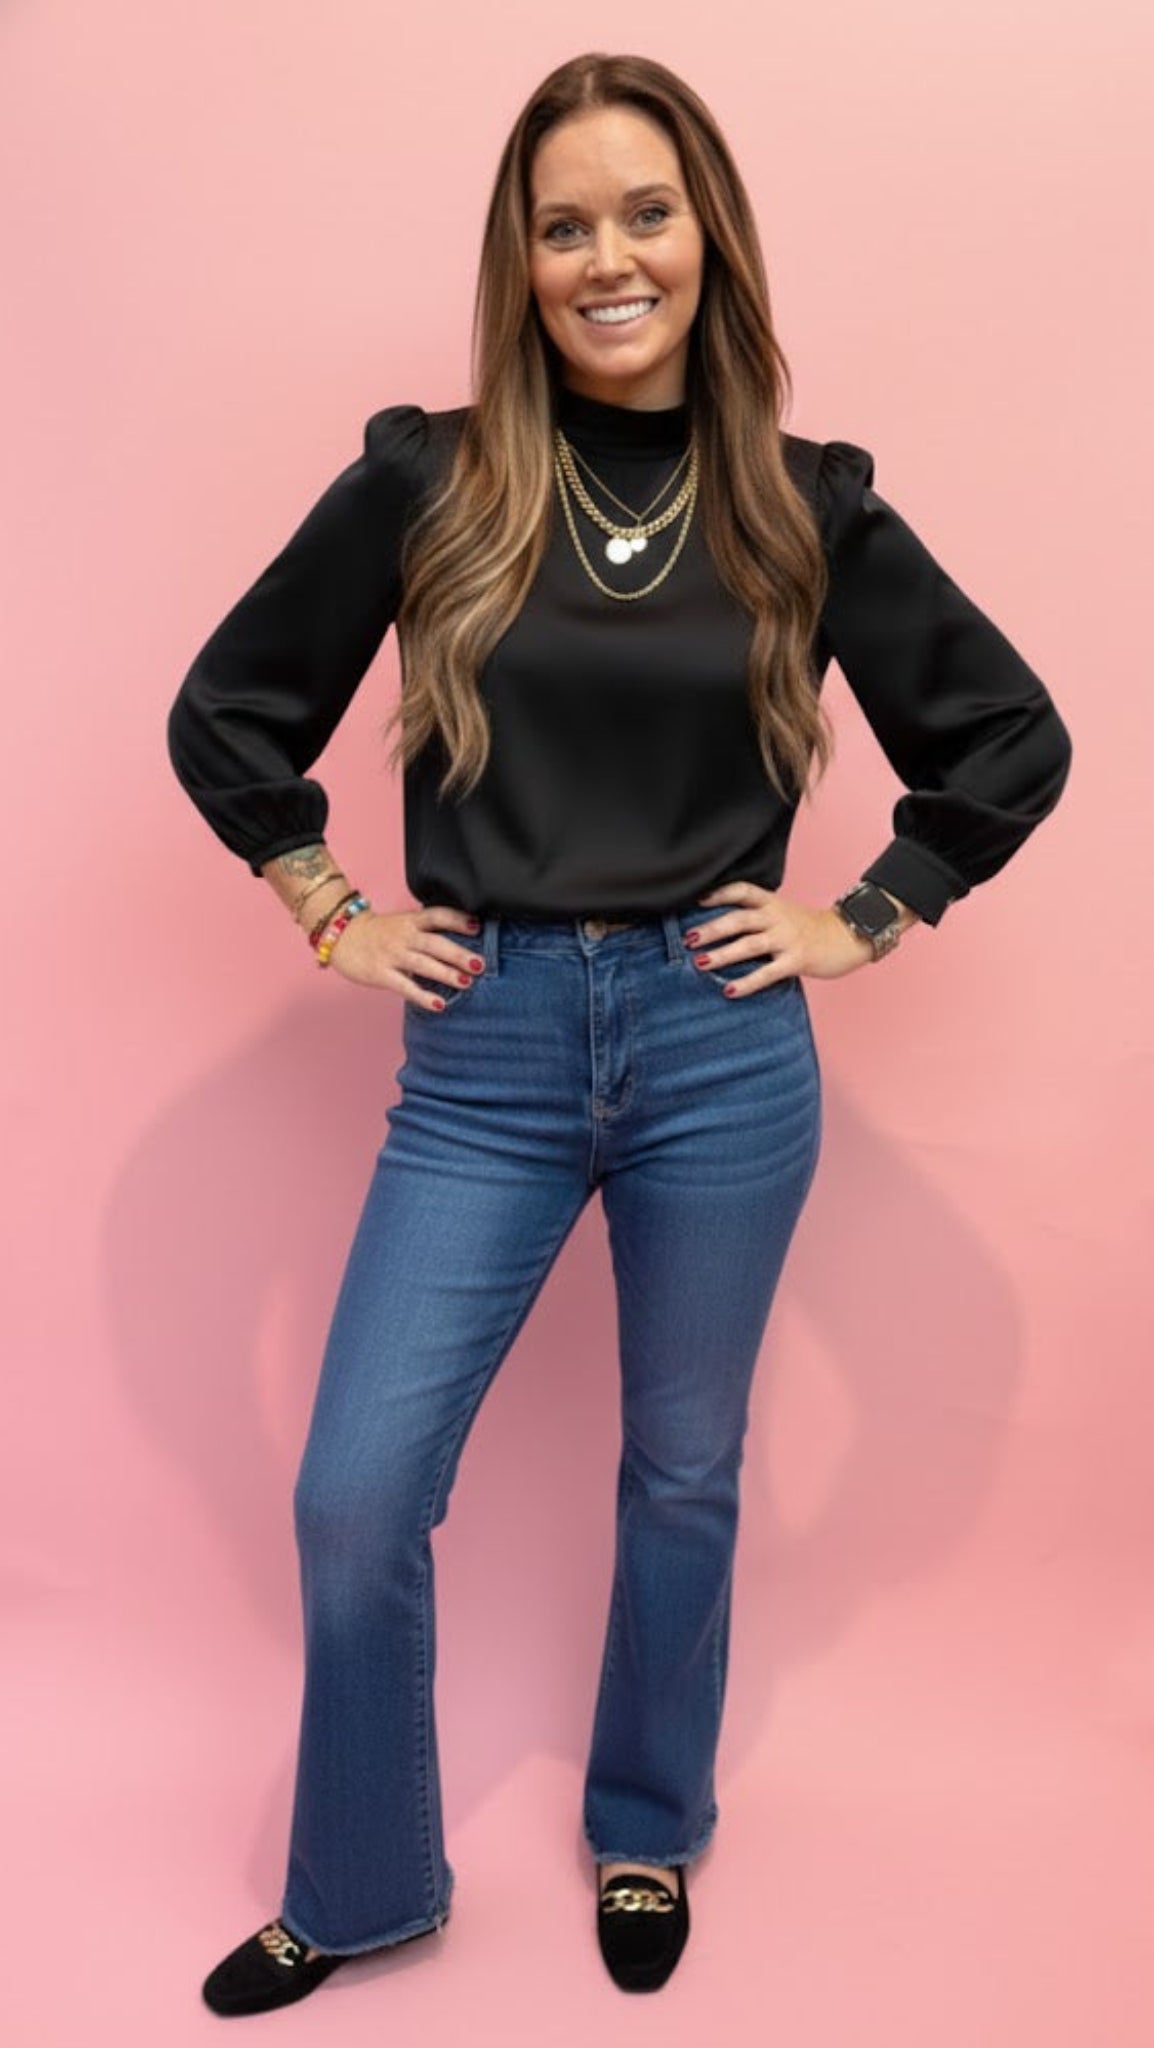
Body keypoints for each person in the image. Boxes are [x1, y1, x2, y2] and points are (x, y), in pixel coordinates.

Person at [167, 50, 1071, 2018]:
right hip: (483, 1048)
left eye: (642, 213)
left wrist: (870, 909)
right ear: (521, 259)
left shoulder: (805, 501)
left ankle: (646, 1819)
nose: (606, 257)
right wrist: (326, 901)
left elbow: (1009, 737)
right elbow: (228, 710)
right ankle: (366, 1879)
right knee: (356, 1486)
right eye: (562, 224)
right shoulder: (430, 475)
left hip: (718, 1039)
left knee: (680, 1468)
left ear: (707, 236)